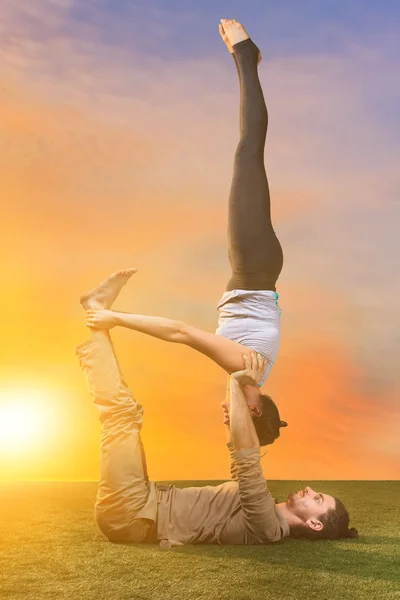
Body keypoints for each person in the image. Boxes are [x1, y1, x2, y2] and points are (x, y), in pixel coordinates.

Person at [83, 19, 286, 445]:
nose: (222, 417)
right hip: (253, 267)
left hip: (253, 269)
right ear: (253, 408)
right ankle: (247, 58)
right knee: (248, 151)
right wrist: (114, 318)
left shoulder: (245, 369)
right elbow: (181, 332)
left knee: (248, 155)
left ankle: (247, 61)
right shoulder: (245, 366)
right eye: (232, 420)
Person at [76, 269, 358, 546]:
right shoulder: (263, 508)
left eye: (317, 499)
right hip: (143, 501)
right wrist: (239, 381)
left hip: (134, 513)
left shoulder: (268, 528)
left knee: (122, 414)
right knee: (127, 414)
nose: (310, 490)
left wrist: (240, 382)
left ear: (314, 524)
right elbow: (238, 450)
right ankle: (97, 314)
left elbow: (248, 461)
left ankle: (96, 310)